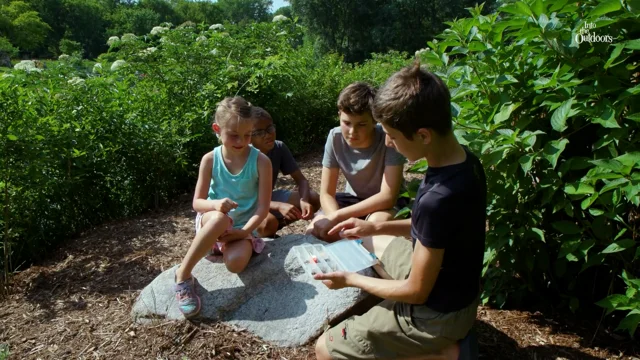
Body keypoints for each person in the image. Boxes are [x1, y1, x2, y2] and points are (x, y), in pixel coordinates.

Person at [313, 62, 487, 360]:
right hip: (458, 295)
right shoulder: (464, 162)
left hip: (435, 315)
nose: (389, 142)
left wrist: (349, 280)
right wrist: (375, 228)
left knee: (324, 350)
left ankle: (447, 353)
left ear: (423, 135)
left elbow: (418, 292)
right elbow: (436, 230)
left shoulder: (438, 198)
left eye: (392, 135)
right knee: (369, 240)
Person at [173, 96, 272, 319]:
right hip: (213, 221)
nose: (241, 141)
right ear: (217, 129)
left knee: (236, 264)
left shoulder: (261, 161)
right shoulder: (210, 159)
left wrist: (245, 231)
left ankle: (217, 246)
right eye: (233, 135)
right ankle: (183, 275)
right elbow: (197, 203)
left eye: (247, 135)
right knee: (219, 219)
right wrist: (216, 204)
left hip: (240, 230)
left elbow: (263, 207)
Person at [306, 82, 407, 243]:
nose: (352, 132)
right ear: (339, 114)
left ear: (374, 120)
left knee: (371, 231)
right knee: (316, 230)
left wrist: (338, 217)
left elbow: (387, 197)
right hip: (352, 199)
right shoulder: (335, 137)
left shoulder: (388, 138)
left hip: (387, 205)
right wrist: (334, 219)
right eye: (347, 123)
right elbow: (326, 194)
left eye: (361, 124)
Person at [250, 106, 320, 237]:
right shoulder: (244, 155)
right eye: (259, 132)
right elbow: (247, 198)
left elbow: (301, 180)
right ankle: (261, 232)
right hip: (247, 204)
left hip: (267, 198)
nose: (268, 134)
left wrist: (304, 200)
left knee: (313, 198)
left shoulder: (278, 147)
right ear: (248, 136)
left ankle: (274, 228)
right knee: (267, 223)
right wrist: (278, 206)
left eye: (269, 128)